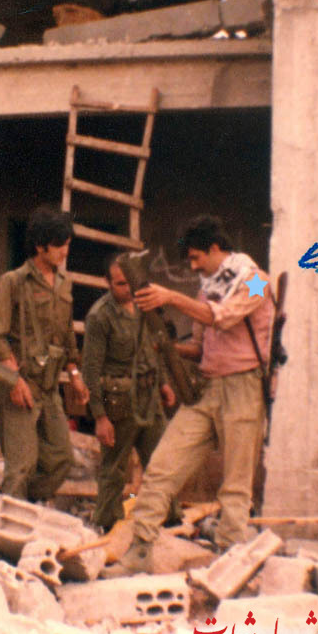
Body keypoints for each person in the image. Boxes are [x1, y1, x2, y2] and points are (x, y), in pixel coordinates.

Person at [113, 214, 272, 573]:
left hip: (244, 389)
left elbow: (223, 317)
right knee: (161, 468)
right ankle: (140, 550)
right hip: (207, 388)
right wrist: (167, 347)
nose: (194, 266)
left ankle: (230, 562)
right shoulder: (208, 288)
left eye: (198, 258)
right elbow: (200, 347)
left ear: (215, 248)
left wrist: (170, 297)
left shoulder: (256, 281)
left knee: (235, 485)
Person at [0, 207, 90, 501]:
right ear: (41, 246)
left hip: (50, 386)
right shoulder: (13, 282)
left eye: (68, 244)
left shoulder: (64, 283)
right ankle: (11, 519)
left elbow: (66, 333)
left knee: (61, 458)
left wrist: (75, 373)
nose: (65, 252)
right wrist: (13, 379)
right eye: (59, 245)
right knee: (21, 466)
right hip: (23, 384)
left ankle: (22, 505)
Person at [82, 253, 178, 532]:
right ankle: (106, 524)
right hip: (119, 402)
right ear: (108, 283)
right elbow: (91, 370)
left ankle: (171, 520)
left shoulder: (145, 306)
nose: (127, 289)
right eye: (120, 284)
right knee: (114, 469)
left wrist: (163, 383)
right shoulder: (100, 316)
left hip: (149, 398)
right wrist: (100, 417)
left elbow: (153, 347)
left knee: (161, 462)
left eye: (129, 282)